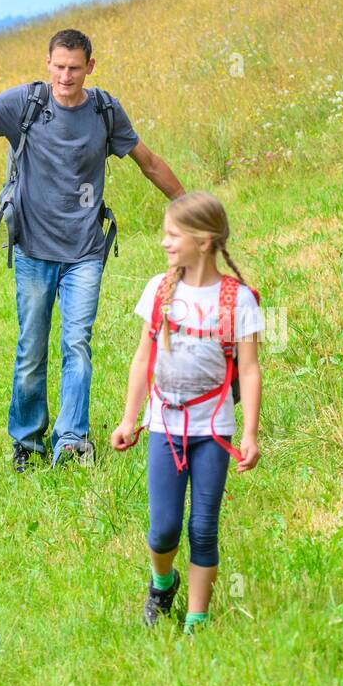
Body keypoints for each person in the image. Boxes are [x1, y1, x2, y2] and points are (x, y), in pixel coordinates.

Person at [0, 29, 184, 471]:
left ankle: (71, 441)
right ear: (48, 63)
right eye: (58, 66)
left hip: (86, 249)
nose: (66, 76)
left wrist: (189, 208)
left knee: (77, 343)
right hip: (34, 247)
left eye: (74, 67)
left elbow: (147, 161)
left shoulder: (105, 110)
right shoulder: (26, 103)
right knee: (31, 347)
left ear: (90, 66)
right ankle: (27, 442)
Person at [111, 192, 263, 633]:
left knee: (202, 529)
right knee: (163, 530)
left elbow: (249, 371)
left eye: (173, 234)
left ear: (204, 240)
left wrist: (250, 433)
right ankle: (163, 582)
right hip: (163, 426)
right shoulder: (159, 290)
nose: (164, 242)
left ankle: (197, 619)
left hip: (213, 430)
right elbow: (143, 359)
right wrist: (128, 418)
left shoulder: (239, 300)